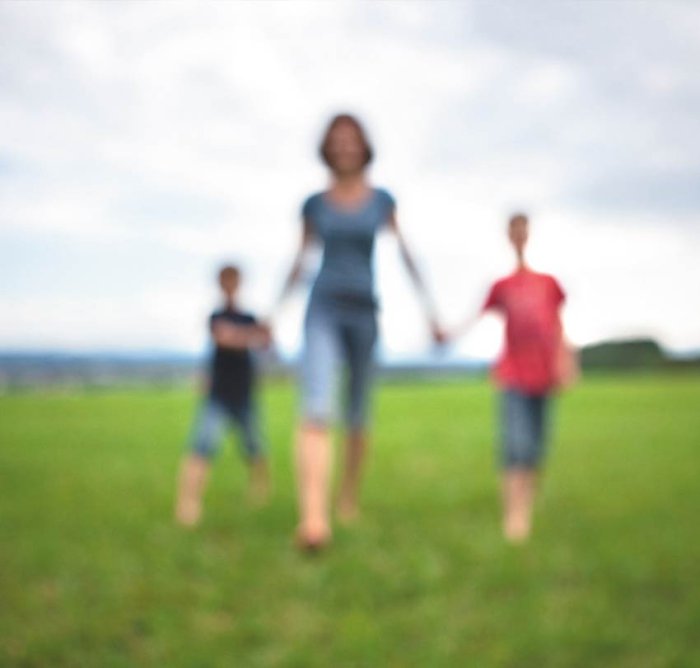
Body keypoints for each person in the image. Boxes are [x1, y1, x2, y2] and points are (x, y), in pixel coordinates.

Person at [276, 113, 442, 550]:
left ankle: (347, 495)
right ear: (327, 149)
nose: (345, 146)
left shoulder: (382, 201)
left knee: (358, 415)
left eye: (352, 139)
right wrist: (274, 313)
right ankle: (314, 520)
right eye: (337, 140)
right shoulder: (314, 204)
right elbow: (299, 259)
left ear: (364, 147)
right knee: (316, 406)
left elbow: (406, 255)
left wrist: (431, 312)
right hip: (322, 309)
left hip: (365, 312)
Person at [442, 213, 577, 542]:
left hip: (544, 374)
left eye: (523, 229)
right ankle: (515, 517)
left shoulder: (548, 283)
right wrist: (448, 334)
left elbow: (559, 326)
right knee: (515, 444)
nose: (519, 235)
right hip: (513, 373)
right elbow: (475, 317)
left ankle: (525, 503)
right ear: (508, 236)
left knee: (536, 446)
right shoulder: (501, 286)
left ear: (528, 234)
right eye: (513, 230)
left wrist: (567, 361)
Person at [175, 264, 272, 527]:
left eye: (234, 280)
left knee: (255, 447)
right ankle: (188, 503)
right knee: (202, 445)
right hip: (218, 394)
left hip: (244, 392)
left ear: (239, 283)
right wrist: (252, 335)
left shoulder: (250, 317)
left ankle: (260, 492)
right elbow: (225, 339)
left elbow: (266, 345)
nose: (230, 285)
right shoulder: (216, 316)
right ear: (220, 284)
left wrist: (263, 334)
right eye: (225, 280)